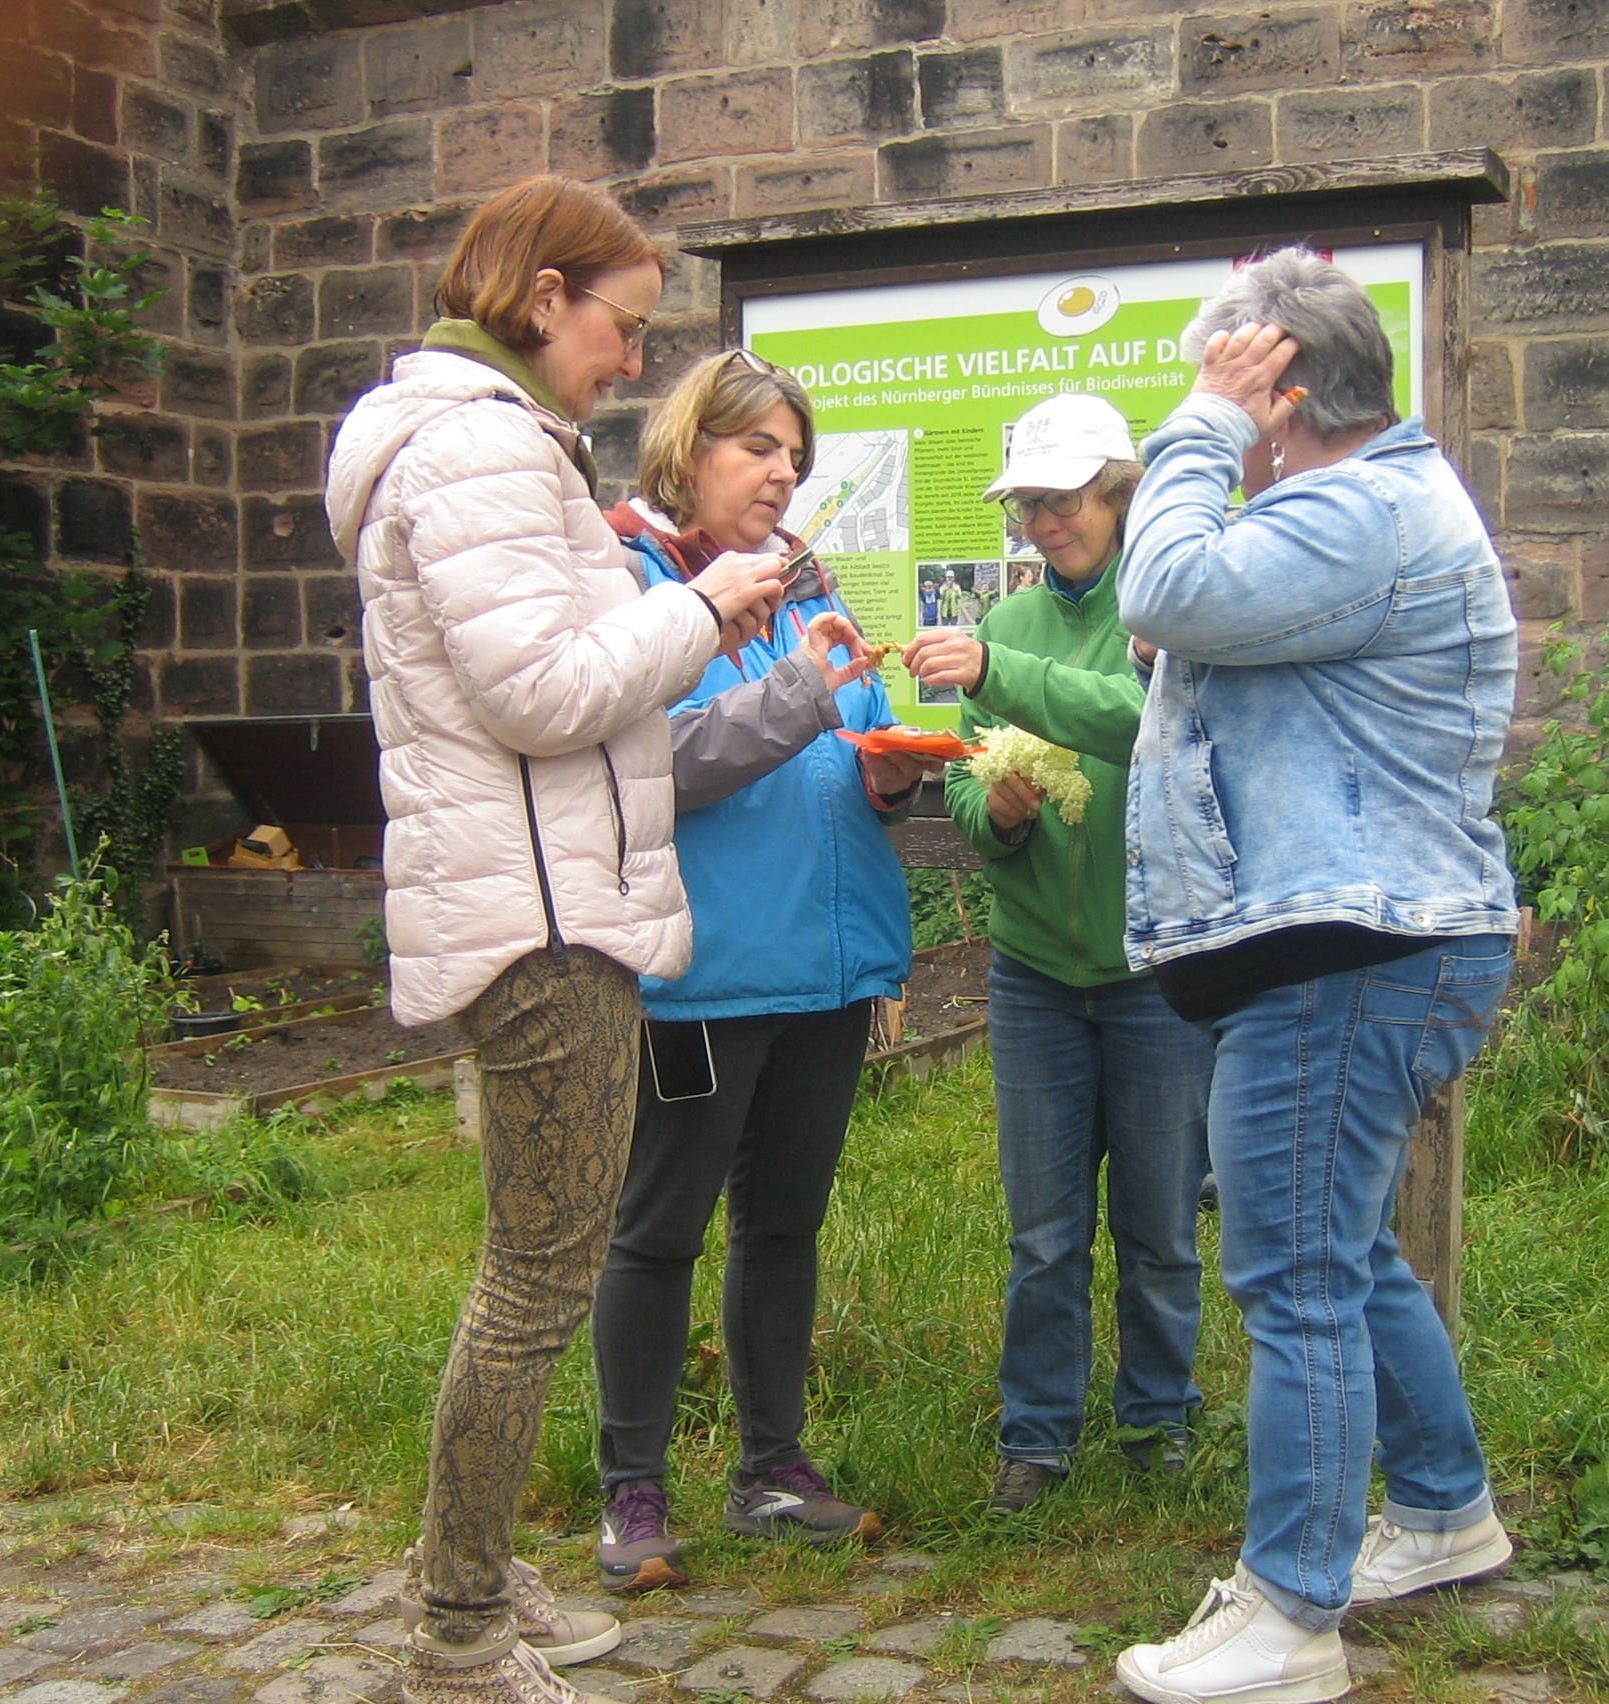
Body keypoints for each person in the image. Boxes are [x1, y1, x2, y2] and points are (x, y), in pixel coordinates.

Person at [324, 175, 788, 1704]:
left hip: (540, 902)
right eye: (623, 327)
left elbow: (546, 665)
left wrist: (676, 611)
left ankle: (472, 1574)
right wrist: (704, 609)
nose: (632, 362)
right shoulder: (475, 448)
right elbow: (539, 694)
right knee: (535, 1286)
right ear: (543, 298)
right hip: (540, 925)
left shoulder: (491, 442)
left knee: (526, 1271)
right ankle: (458, 1636)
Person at [1108, 251, 1519, 1704]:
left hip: (1350, 950)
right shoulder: (1361, 510)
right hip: (1358, 939)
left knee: (1295, 1277)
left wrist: (1200, 431)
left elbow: (1162, 579)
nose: (1205, 404)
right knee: (1340, 1257)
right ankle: (1445, 1510)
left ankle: (1289, 1616)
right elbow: (1186, 627)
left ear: (1277, 392)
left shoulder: (1359, 508)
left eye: (1224, 379)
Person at [590, 349, 929, 1591]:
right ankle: (632, 1491)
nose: (783, 475)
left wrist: (891, 774)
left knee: (783, 1228)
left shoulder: (804, 588)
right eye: (757, 449)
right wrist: (802, 695)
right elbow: (654, 768)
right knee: (659, 1229)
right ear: (688, 454)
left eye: (795, 455)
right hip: (702, 974)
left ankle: (772, 1472)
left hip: (825, 971)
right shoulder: (635, 582)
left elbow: (848, 742)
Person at [904, 392, 1214, 1517]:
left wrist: (994, 671)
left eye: (1062, 500)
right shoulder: (1014, 620)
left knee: (1160, 1225)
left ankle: (1158, 1420)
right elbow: (962, 783)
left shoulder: (1167, 606)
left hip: (1154, 974)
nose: (1042, 524)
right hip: (1035, 975)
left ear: (1118, 493)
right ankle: (1036, 1436)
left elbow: (1135, 714)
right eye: (1027, 506)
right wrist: (1001, 815)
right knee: (1043, 1234)